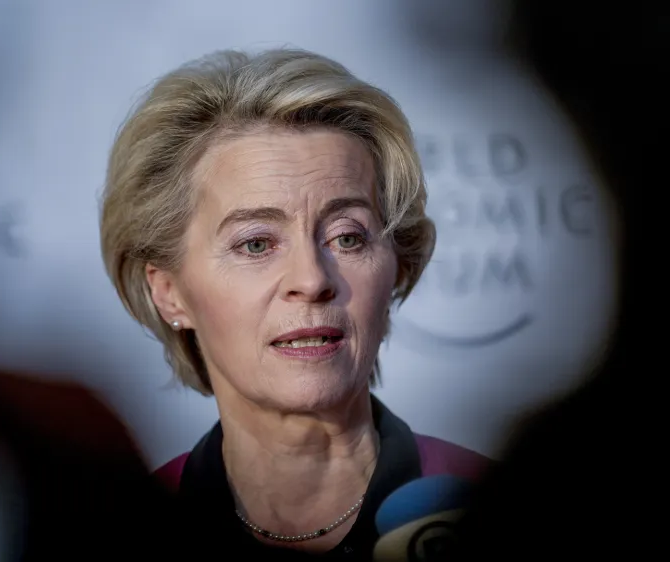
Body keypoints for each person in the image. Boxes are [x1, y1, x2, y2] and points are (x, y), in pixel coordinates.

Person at [99, 48, 490, 559]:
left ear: (398, 263)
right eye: (256, 244)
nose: (311, 279)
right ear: (169, 292)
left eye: (348, 237)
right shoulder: (121, 532)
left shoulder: (489, 506)